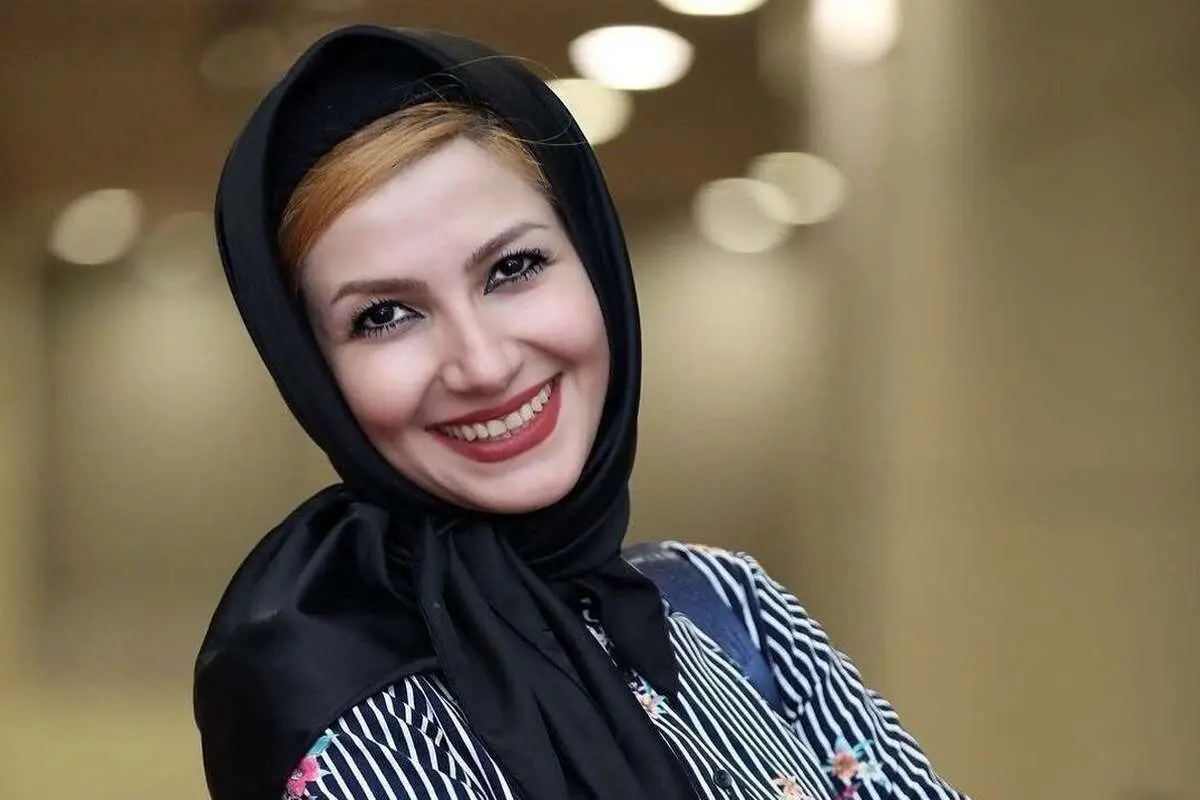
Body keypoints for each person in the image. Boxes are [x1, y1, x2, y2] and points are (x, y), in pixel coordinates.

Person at [194, 24, 968, 800]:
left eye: (513, 268)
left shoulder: (729, 604)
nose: (483, 365)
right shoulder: (346, 712)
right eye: (386, 315)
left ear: (594, 260)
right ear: (314, 372)